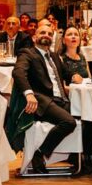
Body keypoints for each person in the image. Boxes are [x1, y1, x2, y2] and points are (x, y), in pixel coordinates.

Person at [14, 21, 77, 174]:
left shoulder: (54, 56)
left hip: (61, 100)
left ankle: (80, 160)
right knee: (69, 122)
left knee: (88, 118)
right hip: (43, 100)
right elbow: (18, 73)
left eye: (49, 34)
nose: (46, 36)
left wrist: (75, 76)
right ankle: (39, 153)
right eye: (42, 33)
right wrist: (29, 94)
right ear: (35, 37)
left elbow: (66, 73)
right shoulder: (27, 53)